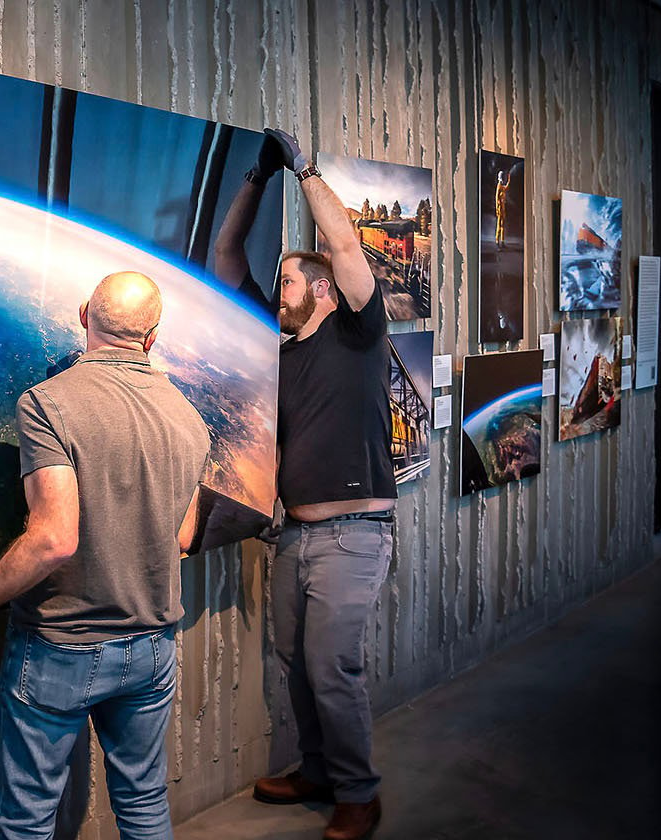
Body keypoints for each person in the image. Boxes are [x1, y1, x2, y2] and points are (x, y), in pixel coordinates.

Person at [0, 272, 210, 840]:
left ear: (82, 316)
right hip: (152, 647)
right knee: (144, 805)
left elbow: (54, 539)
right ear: (152, 338)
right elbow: (183, 537)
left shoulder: (48, 404)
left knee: (27, 822)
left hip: (62, 649)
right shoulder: (189, 417)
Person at [249, 129, 393, 840]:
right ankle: (316, 769)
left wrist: (302, 169)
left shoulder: (359, 333)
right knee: (295, 663)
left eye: (288, 281)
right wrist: (251, 180)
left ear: (325, 290)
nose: (279, 293)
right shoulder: (283, 356)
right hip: (296, 533)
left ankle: (359, 795)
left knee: (332, 664)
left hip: (353, 536)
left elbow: (343, 245)